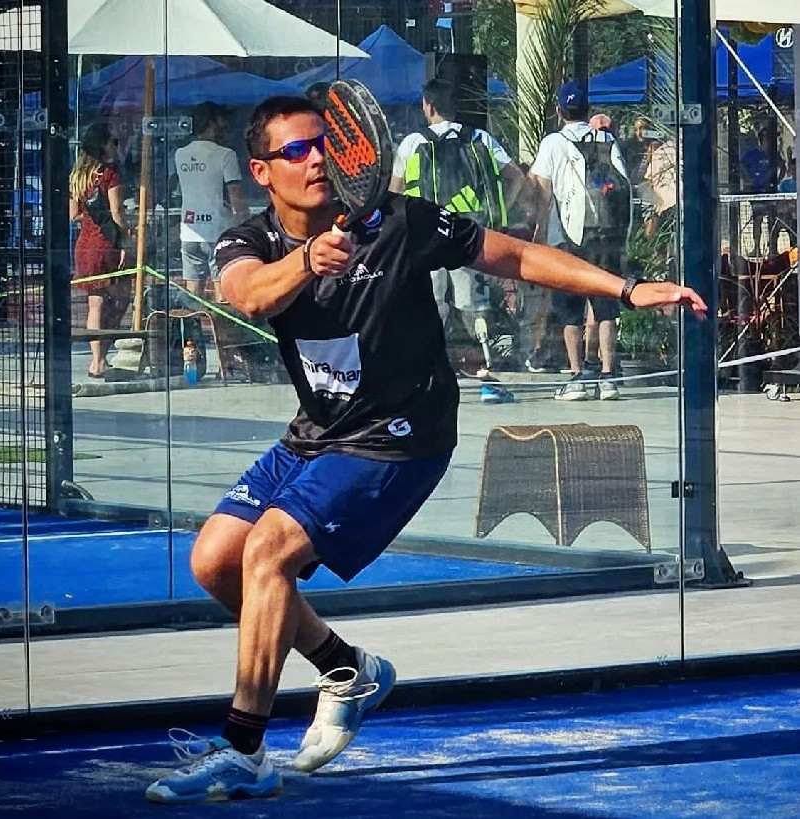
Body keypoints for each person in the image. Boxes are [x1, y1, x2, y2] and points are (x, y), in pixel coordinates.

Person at [144, 95, 706, 804]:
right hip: (318, 431)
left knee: (269, 551)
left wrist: (627, 288)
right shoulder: (247, 240)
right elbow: (248, 296)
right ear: (261, 171)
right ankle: (346, 668)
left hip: (400, 436)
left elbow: (515, 254)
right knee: (215, 561)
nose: (316, 160)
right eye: (296, 151)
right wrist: (309, 261)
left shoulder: (400, 221)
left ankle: (244, 750)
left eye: (323, 145)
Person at [389, 79, 530, 396]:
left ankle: (428, 372)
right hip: (469, 233)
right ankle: (487, 373)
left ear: (428, 106)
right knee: (475, 306)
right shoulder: (480, 138)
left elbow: (394, 194)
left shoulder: (413, 142)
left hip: (425, 236)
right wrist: (500, 210)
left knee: (432, 304)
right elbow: (517, 178)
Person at [529, 82, 632, 401]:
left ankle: (577, 378)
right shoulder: (606, 139)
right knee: (606, 306)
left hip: (568, 236)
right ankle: (608, 377)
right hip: (605, 235)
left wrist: (538, 231)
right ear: (588, 110)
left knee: (569, 309)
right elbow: (624, 183)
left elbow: (542, 192)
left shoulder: (553, 143)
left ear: (559, 111)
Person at [69, 120, 132, 378]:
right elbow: (117, 212)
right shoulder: (110, 174)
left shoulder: (78, 175)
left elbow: (73, 214)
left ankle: (97, 360)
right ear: (103, 145)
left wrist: (91, 217)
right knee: (122, 296)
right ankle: (103, 353)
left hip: (85, 242)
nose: (116, 147)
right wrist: (126, 238)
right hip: (107, 242)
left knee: (95, 303)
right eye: (113, 142)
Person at [174, 101, 248, 299]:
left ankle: (194, 320)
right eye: (222, 119)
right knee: (223, 294)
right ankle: (221, 321)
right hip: (218, 230)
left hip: (190, 231)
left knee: (193, 296)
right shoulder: (225, 155)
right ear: (213, 122)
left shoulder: (180, 154)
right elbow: (235, 195)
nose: (226, 124)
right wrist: (245, 223)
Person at [740, 127, 785, 258]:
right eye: (766, 139)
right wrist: (747, 179)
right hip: (756, 192)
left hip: (770, 192)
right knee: (757, 219)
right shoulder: (751, 154)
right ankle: (756, 248)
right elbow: (741, 165)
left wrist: (777, 180)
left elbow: (782, 167)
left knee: (772, 220)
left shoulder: (774, 154)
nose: (769, 142)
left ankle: (773, 249)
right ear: (761, 140)